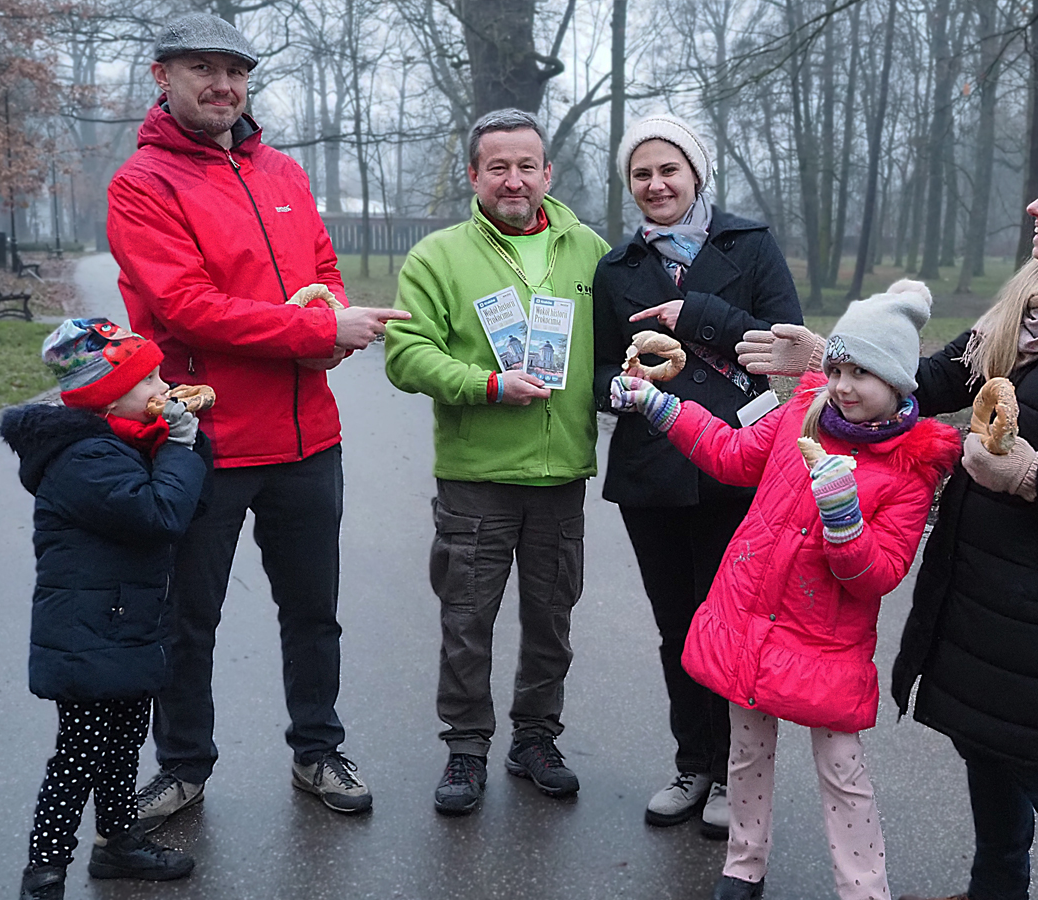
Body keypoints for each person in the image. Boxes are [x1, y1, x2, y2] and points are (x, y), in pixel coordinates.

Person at [738, 139, 1038, 900]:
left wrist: (1036, 477)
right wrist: (834, 356)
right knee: (984, 739)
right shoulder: (1028, 302)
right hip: (975, 573)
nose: (1035, 206)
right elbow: (938, 377)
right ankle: (995, 889)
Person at [106, 12, 410, 827]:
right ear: (162, 77)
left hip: (309, 439)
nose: (223, 85)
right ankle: (183, 766)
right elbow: (185, 307)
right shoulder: (143, 183)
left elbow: (322, 270)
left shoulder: (281, 171)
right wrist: (316, 331)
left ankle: (317, 750)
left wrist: (332, 322)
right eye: (202, 69)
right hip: (200, 440)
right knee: (186, 619)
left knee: (313, 613)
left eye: (235, 71)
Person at [612, 282, 961, 900]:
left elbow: (879, 575)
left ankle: (864, 889)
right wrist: (659, 405)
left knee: (842, 772)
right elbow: (730, 453)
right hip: (748, 616)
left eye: (862, 374)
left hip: (825, 643)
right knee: (746, 753)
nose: (843, 386)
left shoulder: (908, 471)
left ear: (897, 383)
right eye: (837, 369)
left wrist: (844, 523)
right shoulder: (801, 413)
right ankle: (743, 865)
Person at [384, 108, 610, 816]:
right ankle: (466, 747)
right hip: (475, 478)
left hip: (560, 475)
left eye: (526, 166)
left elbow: (617, 347)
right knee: (466, 621)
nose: (514, 180)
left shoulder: (591, 251)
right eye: (498, 167)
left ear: (548, 173)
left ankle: (535, 739)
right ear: (475, 175)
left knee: (551, 622)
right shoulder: (438, 257)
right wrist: (485, 384)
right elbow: (405, 355)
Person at [592, 113, 803, 837]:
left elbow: (787, 347)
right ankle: (693, 764)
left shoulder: (750, 245)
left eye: (668, 170)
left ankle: (736, 773)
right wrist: (615, 390)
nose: (656, 185)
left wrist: (696, 314)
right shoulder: (618, 268)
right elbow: (600, 365)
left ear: (696, 173)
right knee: (676, 626)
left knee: (732, 624)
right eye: (641, 174)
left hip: (737, 468)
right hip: (653, 472)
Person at [1, 319, 210, 900]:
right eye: (149, 380)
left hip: (126, 623)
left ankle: (118, 843)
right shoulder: (85, 456)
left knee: (122, 744)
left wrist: (185, 444)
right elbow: (159, 515)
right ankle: (44, 872)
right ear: (109, 397)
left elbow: (190, 504)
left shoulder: (129, 441)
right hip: (88, 634)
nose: (163, 388)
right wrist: (181, 448)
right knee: (79, 756)